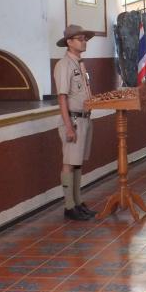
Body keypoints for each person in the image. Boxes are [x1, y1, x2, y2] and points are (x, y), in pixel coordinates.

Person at [54, 24, 97, 222]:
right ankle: (69, 206)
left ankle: (78, 202)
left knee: (77, 162)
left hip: (84, 118)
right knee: (69, 163)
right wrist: (69, 127)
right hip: (73, 120)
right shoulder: (64, 65)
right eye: (80, 39)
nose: (84, 42)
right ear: (69, 42)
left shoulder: (79, 64)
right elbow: (62, 97)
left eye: (85, 39)